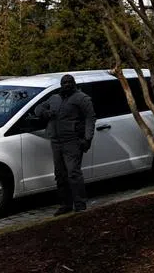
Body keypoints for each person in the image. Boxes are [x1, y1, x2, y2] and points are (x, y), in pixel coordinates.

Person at [32, 74, 96, 215]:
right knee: (60, 174)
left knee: (73, 173)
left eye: (69, 82)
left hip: (73, 141)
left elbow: (90, 118)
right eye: (64, 82)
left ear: (74, 83)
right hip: (56, 141)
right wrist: (46, 113)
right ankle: (65, 204)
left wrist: (87, 138)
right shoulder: (55, 98)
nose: (66, 84)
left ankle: (80, 204)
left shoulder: (81, 98)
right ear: (61, 84)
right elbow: (37, 109)